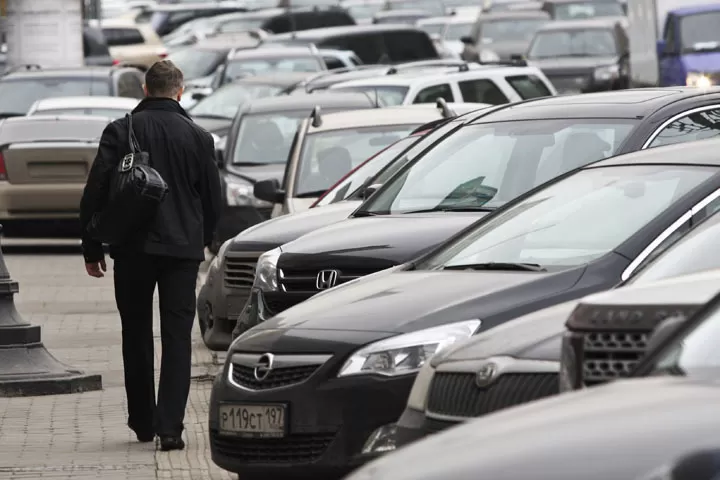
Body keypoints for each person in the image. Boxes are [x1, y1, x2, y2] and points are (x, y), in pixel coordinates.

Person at [79, 60, 222, 451]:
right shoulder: (198, 136)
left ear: (145, 90)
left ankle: (142, 420)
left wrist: (92, 246)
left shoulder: (121, 131)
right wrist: (206, 242)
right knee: (177, 337)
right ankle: (170, 428)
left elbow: (95, 190)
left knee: (136, 333)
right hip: (181, 251)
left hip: (131, 250)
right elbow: (213, 198)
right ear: (180, 91)